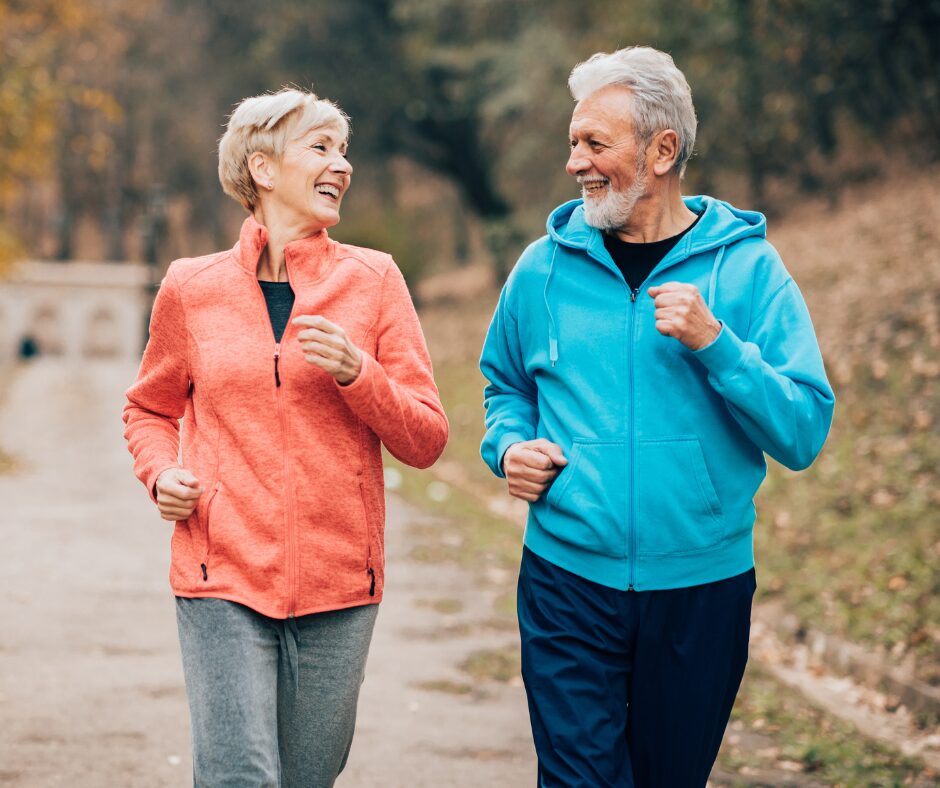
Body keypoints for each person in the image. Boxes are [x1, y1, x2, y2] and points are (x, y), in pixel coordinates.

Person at [480, 47, 834, 787]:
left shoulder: (749, 271)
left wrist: (718, 346)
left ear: (662, 151)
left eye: (595, 143)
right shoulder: (541, 268)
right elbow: (505, 386)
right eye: (572, 142)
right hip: (566, 580)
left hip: (701, 590)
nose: (574, 162)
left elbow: (803, 431)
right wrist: (509, 446)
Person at [123, 88, 448, 786]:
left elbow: (425, 440)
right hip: (219, 572)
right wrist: (161, 474)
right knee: (239, 776)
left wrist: (359, 374)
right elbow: (149, 409)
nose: (343, 165)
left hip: (341, 584)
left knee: (305, 777)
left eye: (345, 150)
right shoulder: (191, 287)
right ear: (263, 168)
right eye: (321, 147)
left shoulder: (374, 281)